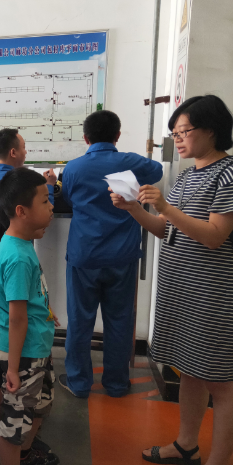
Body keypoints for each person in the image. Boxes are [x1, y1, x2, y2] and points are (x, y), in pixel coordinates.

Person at [111, 95, 233, 465]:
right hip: (181, 290)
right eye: (174, 132)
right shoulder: (189, 176)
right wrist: (135, 210)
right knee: (189, 371)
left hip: (213, 295)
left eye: (184, 131)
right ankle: (186, 445)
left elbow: (214, 236)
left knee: (222, 384)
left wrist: (164, 206)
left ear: (211, 130)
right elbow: (167, 230)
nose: (177, 139)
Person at [58, 110, 163, 399]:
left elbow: (68, 198)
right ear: (117, 135)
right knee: (119, 321)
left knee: (80, 320)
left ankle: (79, 383)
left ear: (85, 138)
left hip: (84, 256)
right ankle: (117, 384)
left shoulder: (73, 168)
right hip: (122, 256)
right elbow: (157, 171)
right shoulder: (130, 163)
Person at [0, 168, 58, 465]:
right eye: (45, 201)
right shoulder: (18, 257)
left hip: (35, 346)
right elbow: (16, 318)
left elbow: (27, 301)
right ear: (22, 211)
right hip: (24, 353)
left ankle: (25, 454)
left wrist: (47, 312)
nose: (51, 206)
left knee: (40, 404)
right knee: (14, 423)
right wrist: (13, 369)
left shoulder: (21, 243)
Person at [0, 128, 56, 366]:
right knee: (11, 309)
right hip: (11, 253)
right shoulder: (16, 183)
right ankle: (4, 359)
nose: (26, 152)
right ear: (13, 152)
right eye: (23, 148)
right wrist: (49, 187)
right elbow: (38, 210)